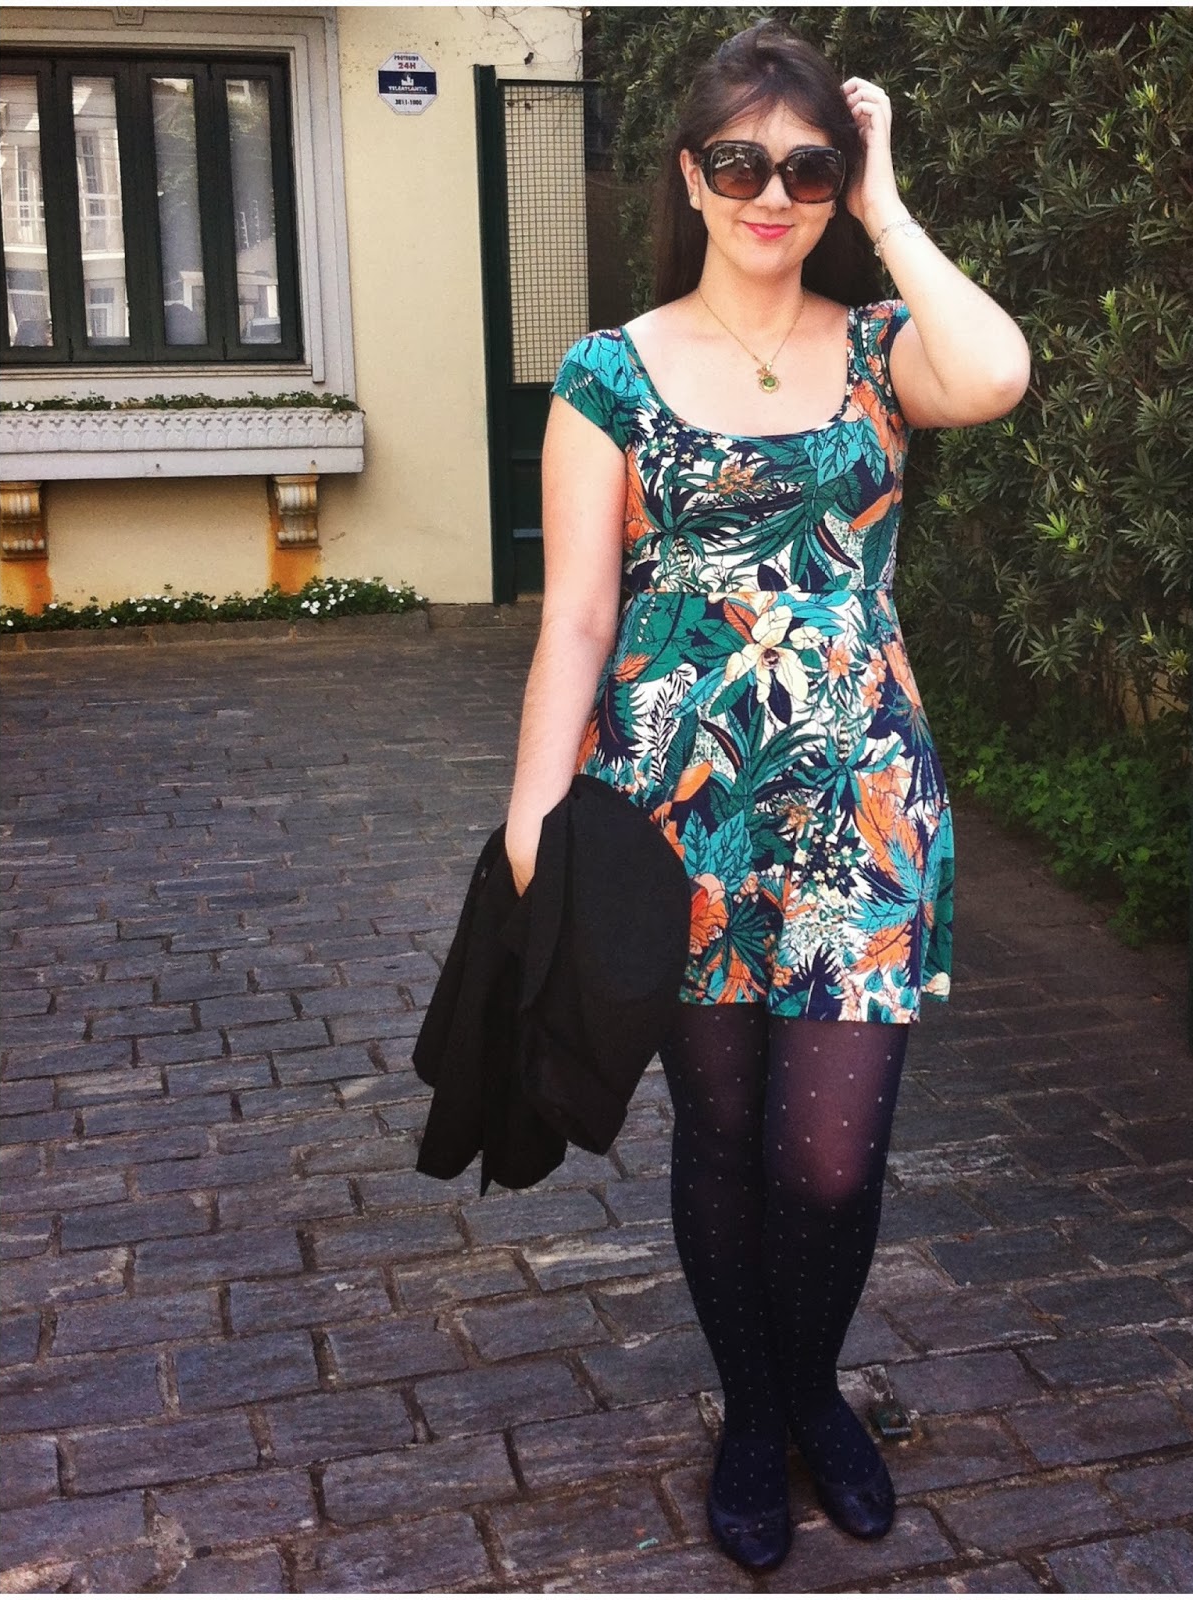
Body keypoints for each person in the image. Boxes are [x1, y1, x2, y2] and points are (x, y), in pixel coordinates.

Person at [503, 19, 1029, 1573]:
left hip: (861, 808)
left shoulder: (880, 349)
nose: (772, 194)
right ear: (691, 174)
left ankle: (814, 1386)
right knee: (724, 1136)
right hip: (676, 814)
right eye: (741, 163)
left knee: (829, 1157)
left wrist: (889, 206)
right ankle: (756, 1411)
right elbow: (578, 617)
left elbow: (996, 372)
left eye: (807, 168)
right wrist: (533, 816)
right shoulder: (608, 372)